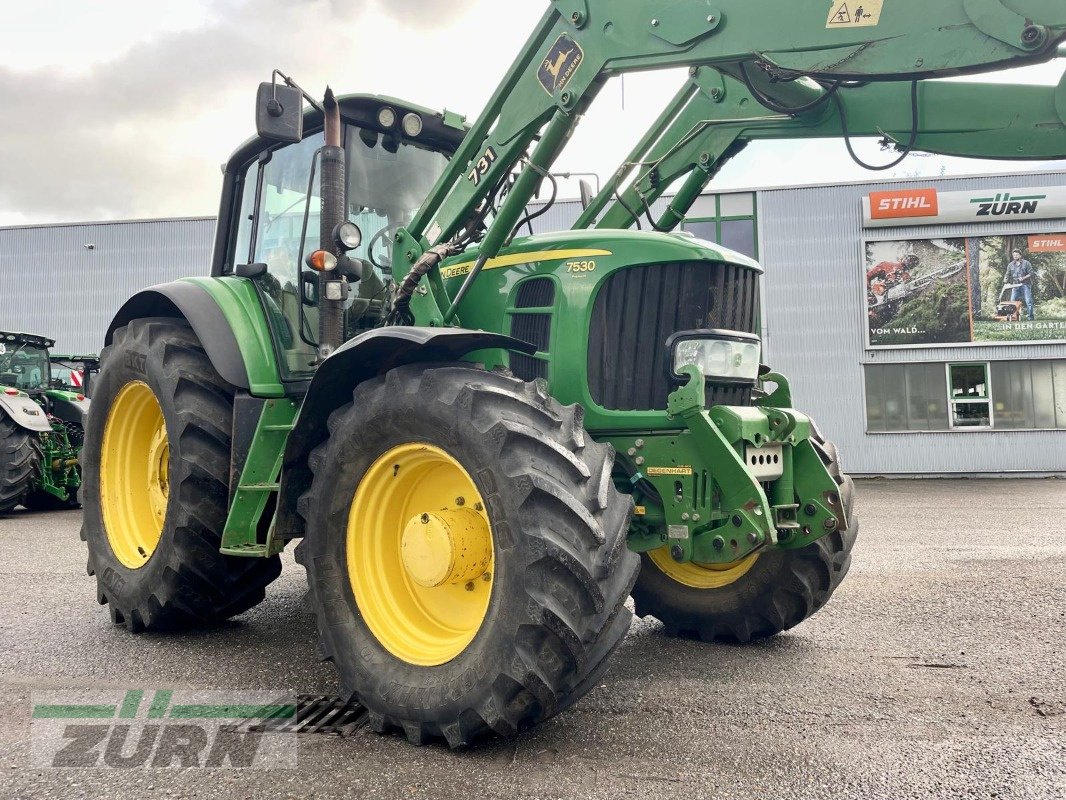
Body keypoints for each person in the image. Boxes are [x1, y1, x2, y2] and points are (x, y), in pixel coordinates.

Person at [1005, 249, 1035, 321]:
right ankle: (1013, 317)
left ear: (1020, 255)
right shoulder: (1010, 265)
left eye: (1017, 255)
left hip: (1025, 284)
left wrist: (1023, 277)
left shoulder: (1026, 263)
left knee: (1028, 301)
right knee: (1012, 301)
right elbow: (1007, 274)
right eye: (1014, 255)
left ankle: (1030, 318)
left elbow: (1031, 273)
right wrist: (1005, 280)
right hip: (1015, 285)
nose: (1015, 256)